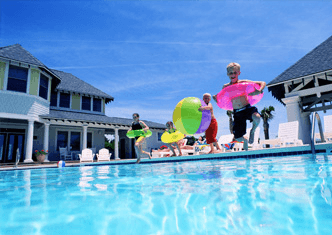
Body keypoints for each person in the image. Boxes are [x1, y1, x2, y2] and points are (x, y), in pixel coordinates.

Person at [213, 62, 266, 151]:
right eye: (230, 73)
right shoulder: (225, 87)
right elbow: (222, 99)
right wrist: (216, 99)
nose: (233, 75)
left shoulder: (243, 82)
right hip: (237, 113)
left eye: (235, 72)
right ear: (227, 74)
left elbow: (262, 83)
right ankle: (245, 141)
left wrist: (259, 90)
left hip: (247, 108)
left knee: (257, 117)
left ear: (239, 73)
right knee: (237, 138)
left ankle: (252, 131)